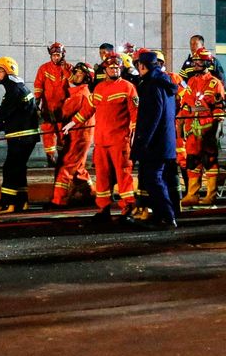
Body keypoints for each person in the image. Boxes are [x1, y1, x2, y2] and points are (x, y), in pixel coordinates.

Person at [63, 52, 138, 222]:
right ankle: (103, 208)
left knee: (123, 175)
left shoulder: (128, 87)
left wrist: (134, 136)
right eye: (111, 68)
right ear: (106, 70)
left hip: (120, 141)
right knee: (102, 177)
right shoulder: (99, 88)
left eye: (117, 67)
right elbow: (87, 110)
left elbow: (136, 114)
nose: (114, 70)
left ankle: (128, 208)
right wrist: (72, 123)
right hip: (102, 142)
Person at [130, 50, 179, 229]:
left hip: (155, 144)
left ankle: (167, 216)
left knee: (154, 179)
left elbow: (152, 117)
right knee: (157, 179)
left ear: (142, 66)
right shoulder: (164, 83)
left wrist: (143, 143)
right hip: (164, 141)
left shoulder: (152, 85)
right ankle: (161, 216)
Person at [0, 56, 40, 214]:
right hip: (25, 136)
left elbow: (2, 112)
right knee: (18, 168)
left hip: (21, 137)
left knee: (10, 168)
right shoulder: (18, 87)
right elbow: (15, 114)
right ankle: (22, 202)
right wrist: (2, 126)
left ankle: (7, 205)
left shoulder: (13, 90)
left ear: (8, 71)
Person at [179, 47, 225, 206]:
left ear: (207, 62)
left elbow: (219, 107)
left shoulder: (215, 83)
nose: (195, 64)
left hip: (207, 129)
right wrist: (181, 123)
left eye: (199, 61)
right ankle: (192, 194)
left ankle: (210, 196)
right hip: (192, 128)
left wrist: (216, 127)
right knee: (192, 161)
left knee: (210, 161)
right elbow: (186, 104)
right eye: (195, 61)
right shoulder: (191, 81)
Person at [46, 62, 95, 209]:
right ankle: (90, 194)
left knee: (65, 166)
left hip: (78, 136)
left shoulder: (79, 94)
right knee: (78, 168)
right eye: (75, 71)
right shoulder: (79, 92)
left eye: (80, 73)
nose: (75, 74)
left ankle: (59, 200)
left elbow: (61, 113)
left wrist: (45, 114)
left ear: (87, 78)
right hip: (79, 135)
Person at [33, 42, 72, 167]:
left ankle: (61, 157)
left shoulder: (69, 68)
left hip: (64, 108)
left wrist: (65, 68)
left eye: (58, 55)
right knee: (48, 133)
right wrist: (37, 102)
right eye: (54, 55)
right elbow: (38, 85)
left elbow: (73, 82)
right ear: (50, 55)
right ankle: (50, 158)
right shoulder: (43, 68)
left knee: (63, 133)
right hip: (48, 108)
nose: (56, 57)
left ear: (63, 55)